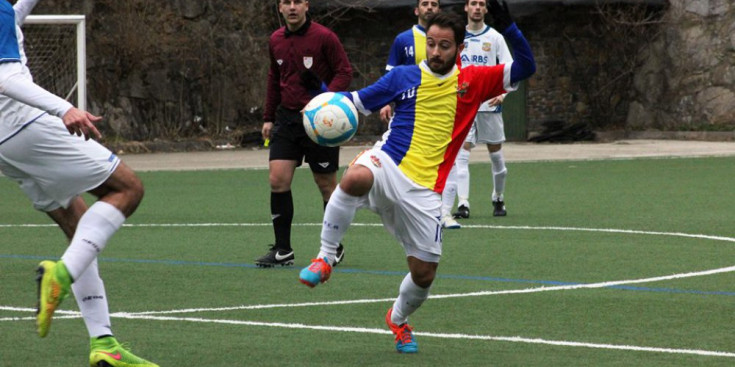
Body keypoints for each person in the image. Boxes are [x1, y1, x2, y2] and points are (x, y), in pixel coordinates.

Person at [299, 2, 535, 354]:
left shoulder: (474, 81)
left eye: (445, 45)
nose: (436, 51)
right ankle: (325, 257)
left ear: (459, 48)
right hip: (389, 163)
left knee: (424, 275)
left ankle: (397, 319)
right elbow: (354, 102)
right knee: (354, 178)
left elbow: (526, 67)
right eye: (432, 43)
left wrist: (509, 27)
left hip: (427, 191)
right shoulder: (403, 77)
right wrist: (319, 94)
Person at [0, 1, 158, 366]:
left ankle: (103, 344)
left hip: (5, 147)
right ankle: (59, 275)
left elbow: (17, 12)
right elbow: (5, 78)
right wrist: (64, 109)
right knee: (128, 188)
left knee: (78, 223)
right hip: (25, 125)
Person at [258, 0, 352, 267]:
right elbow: (273, 78)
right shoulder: (275, 39)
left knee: (325, 185)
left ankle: (333, 247)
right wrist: (268, 116)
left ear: (306, 5)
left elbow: (344, 72)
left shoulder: (324, 37)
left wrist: (325, 103)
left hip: (321, 121)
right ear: (279, 7)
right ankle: (282, 249)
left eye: (297, 1)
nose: (292, 7)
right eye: (286, 2)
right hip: (287, 121)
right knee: (278, 180)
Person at [440, 0, 514, 228]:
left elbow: (510, 67)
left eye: (481, 4)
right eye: (473, 3)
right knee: (462, 153)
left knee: (496, 153)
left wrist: (503, 94)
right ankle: (463, 203)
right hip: (464, 105)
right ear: (466, 8)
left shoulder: (495, 38)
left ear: (486, 9)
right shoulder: (459, 37)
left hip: (489, 105)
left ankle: (498, 198)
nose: (477, 7)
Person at [379, 0, 440, 123]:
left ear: (439, 11)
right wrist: (385, 102)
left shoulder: (447, 40)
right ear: (416, 11)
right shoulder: (402, 39)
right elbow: (390, 74)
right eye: (425, 4)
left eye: (433, 5)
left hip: (439, 106)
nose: (429, 7)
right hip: (408, 108)